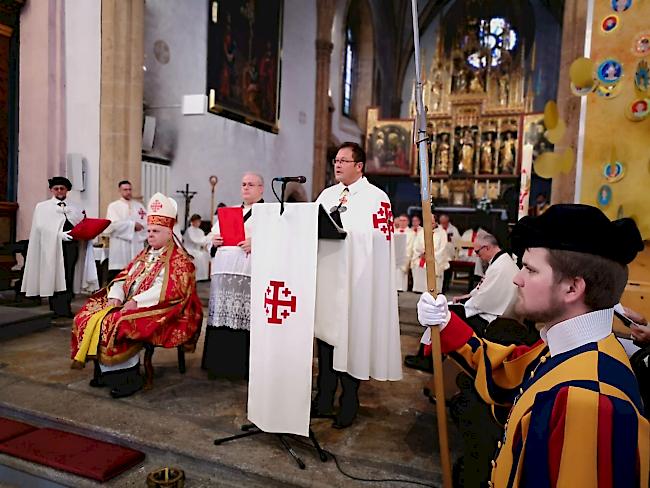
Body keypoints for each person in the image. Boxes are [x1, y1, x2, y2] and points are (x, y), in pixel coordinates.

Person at [417, 204, 649, 487]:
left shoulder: (590, 402)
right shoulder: (576, 347)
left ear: (573, 288)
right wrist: (445, 323)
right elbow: (509, 367)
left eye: (530, 269)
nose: (517, 277)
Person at [71, 192, 203, 398]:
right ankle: (104, 371)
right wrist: (116, 294)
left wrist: (136, 301)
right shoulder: (145, 253)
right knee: (89, 315)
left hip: (164, 307)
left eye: (156, 231)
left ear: (170, 233)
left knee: (121, 323)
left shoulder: (180, 261)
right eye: (149, 230)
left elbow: (170, 290)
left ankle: (128, 379)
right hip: (129, 301)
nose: (150, 235)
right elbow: (124, 277)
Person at [313, 141, 402, 428]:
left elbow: (380, 239)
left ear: (359, 166)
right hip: (327, 281)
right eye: (335, 160)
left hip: (357, 282)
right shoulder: (327, 195)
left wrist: (344, 232)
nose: (336, 165)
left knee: (351, 342)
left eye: (343, 160)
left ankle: (349, 401)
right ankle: (323, 397)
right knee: (325, 341)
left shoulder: (377, 198)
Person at [406, 230, 518, 372]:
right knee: (447, 309)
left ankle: (430, 360)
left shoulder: (500, 266)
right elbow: (483, 291)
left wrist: (466, 303)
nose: (478, 256)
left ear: (488, 248)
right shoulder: (500, 261)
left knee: (444, 314)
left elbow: (483, 299)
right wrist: (467, 297)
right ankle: (426, 355)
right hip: (490, 309)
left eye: (477, 252)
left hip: (492, 317)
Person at [202, 172, 264, 379]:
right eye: (243, 184)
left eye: (251, 185)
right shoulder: (230, 212)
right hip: (224, 271)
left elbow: (277, 239)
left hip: (247, 273)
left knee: (242, 317)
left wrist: (256, 243)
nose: (246, 188)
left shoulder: (268, 213)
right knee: (221, 318)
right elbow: (209, 236)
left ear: (261, 188)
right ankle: (217, 365)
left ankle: (239, 367)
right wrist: (215, 240)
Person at [21, 177, 97, 318]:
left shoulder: (76, 207)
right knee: (53, 275)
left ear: (67, 190)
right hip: (51, 247)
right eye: (56, 188)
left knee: (68, 275)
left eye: (62, 188)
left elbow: (82, 223)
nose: (59, 191)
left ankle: (66, 307)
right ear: (51, 190)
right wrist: (57, 234)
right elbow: (40, 227)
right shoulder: (42, 207)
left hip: (71, 246)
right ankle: (55, 308)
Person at [104, 180, 147, 283]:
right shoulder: (113, 206)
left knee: (136, 272)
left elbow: (146, 223)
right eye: (125, 189)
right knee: (118, 275)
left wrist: (139, 227)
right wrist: (132, 225)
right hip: (120, 246)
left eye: (130, 189)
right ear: (120, 191)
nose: (128, 192)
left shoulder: (139, 206)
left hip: (136, 244)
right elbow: (113, 224)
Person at [411, 215, 450, 293]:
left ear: (436, 222)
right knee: (417, 263)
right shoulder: (421, 232)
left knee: (431, 265)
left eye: (431, 223)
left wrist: (430, 255)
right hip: (422, 257)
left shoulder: (442, 233)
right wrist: (421, 253)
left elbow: (443, 249)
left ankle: (433, 289)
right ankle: (419, 289)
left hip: (435, 258)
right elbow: (415, 246)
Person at [183, 214, 210, 281]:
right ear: (192, 221)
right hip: (189, 249)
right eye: (196, 221)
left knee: (206, 254)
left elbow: (203, 241)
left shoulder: (201, 231)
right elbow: (194, 240)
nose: (198, 223)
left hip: (198, 249)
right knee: (199, 255)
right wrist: (205, 239)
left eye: (199, 221)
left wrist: (206, 244)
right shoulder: (189, 230)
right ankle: (196, 277)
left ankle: (204, 276)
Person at [438, 214, 460, 292]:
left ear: (447, 221)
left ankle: (446, 285)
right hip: (439, 253)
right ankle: (440, 286)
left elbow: (458, 241)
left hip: (450, 253)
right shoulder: (438, 228)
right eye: (442, 222)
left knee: (448, 270)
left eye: (444, 222)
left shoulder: (453, 229)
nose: (443, 224)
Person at [394, 213, 412, 292]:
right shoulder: (394, 231)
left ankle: (402, 288)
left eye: (404, 220)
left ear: (408, 222)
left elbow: (411, 246)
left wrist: (404, 255)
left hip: (405, 256)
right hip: (394, 256)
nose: (402, 222)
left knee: (401, 272)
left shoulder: (411, 233)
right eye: (400, 220)